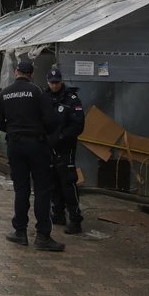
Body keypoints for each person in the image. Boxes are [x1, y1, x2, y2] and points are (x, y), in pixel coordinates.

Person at [0, 61, 65, 252]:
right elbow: (51, 120)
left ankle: (20, 232)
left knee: (21, 189)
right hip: (37, 145)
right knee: (42, 190)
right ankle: (43, 236)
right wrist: (40, 131)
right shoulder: (38, 92)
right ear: (31, 75)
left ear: (16, 73)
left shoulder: (5, 93)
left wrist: (13, 129)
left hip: (15, 145)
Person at [45, 67, 86, 235]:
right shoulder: (45, 97)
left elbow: (78, 125)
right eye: (51, 83)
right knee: (53, 181)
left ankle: (75, 219)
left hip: (65, 147)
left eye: (57, 82)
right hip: (50, 147)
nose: (54, 85)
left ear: (61, 81)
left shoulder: (71, 99)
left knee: (68, 183)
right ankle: (58, 213)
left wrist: (61, 137)